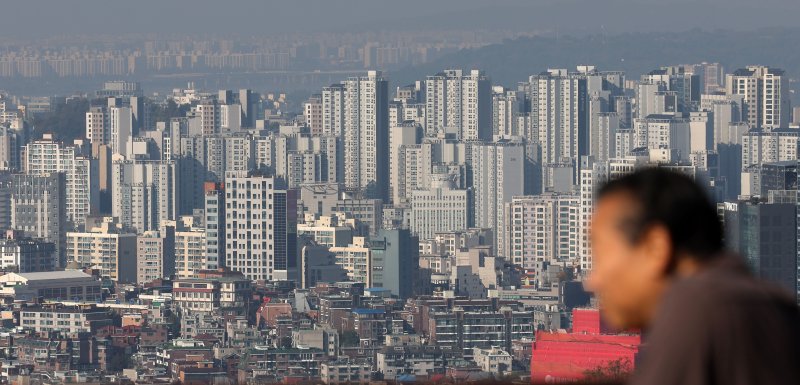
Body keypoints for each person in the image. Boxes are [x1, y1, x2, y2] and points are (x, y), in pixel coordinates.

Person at [586, 168, 799, 385]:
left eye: (600, 253)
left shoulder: (695, 308)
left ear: (655, 247)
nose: (592, 281)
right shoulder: (773, 303)